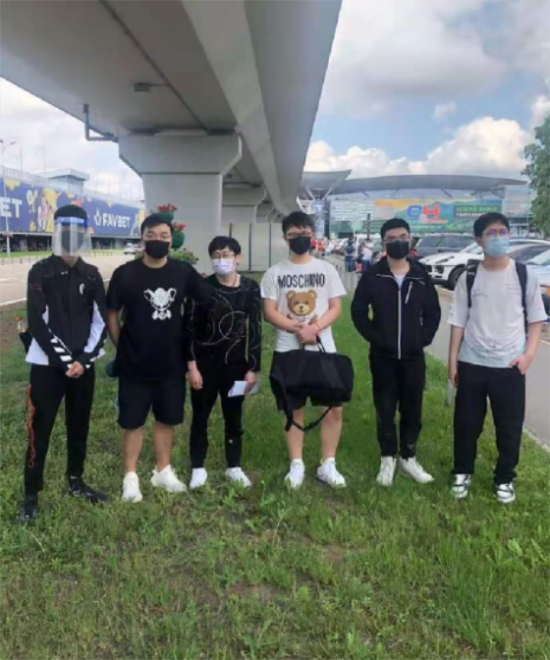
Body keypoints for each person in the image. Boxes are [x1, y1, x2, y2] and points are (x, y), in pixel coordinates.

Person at [106, 213, 209, 503]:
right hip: (134, 364)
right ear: (142, 238)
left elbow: (206, 296)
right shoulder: (125, 273)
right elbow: (112, 313)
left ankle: (163, 470)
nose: (157, 240)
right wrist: (122, 346)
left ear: (172, 240)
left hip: (171, 363)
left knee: (167, 418)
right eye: (151, 235)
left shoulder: (182, 272)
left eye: (164, 236)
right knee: (133, 422)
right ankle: (130, 477)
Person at [448, 212, 546, 503]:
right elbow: (458, 322)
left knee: (509, 426)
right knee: (466, 424)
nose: (499, 238)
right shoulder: (469, 277)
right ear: (479, 240)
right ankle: (462, 471)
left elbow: (536, 319)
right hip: (472, 363)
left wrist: (528, 356)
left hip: (510, 365)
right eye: (491, 233)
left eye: (503, 232)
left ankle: (504, 478)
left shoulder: (523, 275)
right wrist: (453, 361)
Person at [19, 205, 108, 523]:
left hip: (83, 368)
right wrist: (66, 360)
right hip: (47, 367)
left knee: (79, 424)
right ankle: (31, 494)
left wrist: (83, 361)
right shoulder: (40, 272)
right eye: (65, 232)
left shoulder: (92, 274)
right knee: (39, 429)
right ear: (56, 232)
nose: (71, 238)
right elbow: (37, 323)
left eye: (77, 232)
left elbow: (100, 322)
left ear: (85, 235)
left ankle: (76, 481)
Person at [351, 218, 441, 487]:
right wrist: (376, 338)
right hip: (383, 357)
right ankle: (388, 457)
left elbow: (433, 312)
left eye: (403, 237)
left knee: (413, 409)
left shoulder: (420, 275)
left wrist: (422, 339)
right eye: (391, 239)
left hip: (413, 357)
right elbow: (358, 311)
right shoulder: (373, 275)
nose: (398, 242)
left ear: (410, 239)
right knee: (385, 408)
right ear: (384, 243)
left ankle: (409, 457)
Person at [261, 211, 348, 489]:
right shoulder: (274, 273)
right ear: (285, 237)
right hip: (288, 351)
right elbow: (269, 312)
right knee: (293, 409)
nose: (300, 238)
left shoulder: (327, 269)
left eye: (304, 233)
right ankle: (296, 463)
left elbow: (336, 307)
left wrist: (315, 328)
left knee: (333, 409)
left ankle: (328, 463)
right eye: (294, 234)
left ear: (313, 234)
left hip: (324, 350)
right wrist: (298, 329)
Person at [186, 236, 262, 489]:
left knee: (234, 417)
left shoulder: (250, 288)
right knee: (200, 416)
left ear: (238, 258)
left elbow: (256, 330)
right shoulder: (202, 287)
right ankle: (198, 467)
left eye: (227, 255)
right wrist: (192, 366)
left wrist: (253, 368)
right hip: (205, 365)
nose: (222, 260)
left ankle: (234, 465)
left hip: (236, 366)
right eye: (216, 255)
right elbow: (190, 330)